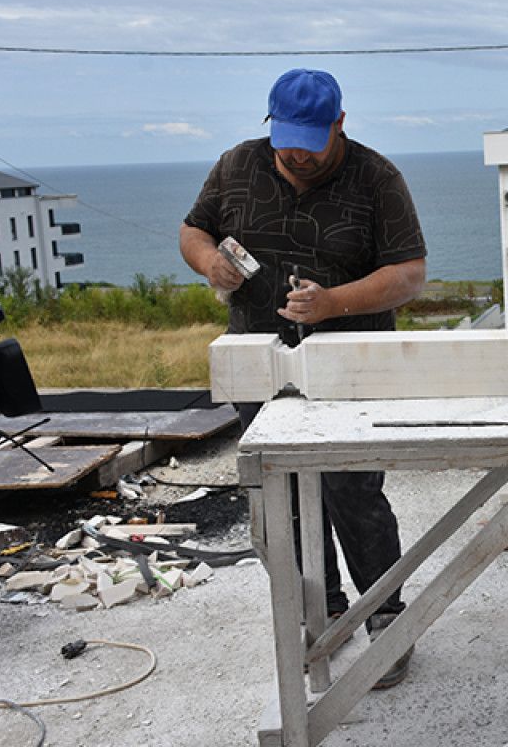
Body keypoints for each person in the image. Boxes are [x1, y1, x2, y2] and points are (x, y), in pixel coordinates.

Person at [179, 68, 427, 688]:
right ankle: (322, 611)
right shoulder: (238, 165)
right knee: (283, 496)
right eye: (287, 140)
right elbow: (194, 229)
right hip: (257, 363)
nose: (297, 154)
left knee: (353, 493)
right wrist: (210, 261)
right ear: (271, 124)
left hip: (348, 366)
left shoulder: (377, 178)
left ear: (339, 124)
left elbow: (409, 273)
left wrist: (333, 303)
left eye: (312, 142)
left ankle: (385, 619)